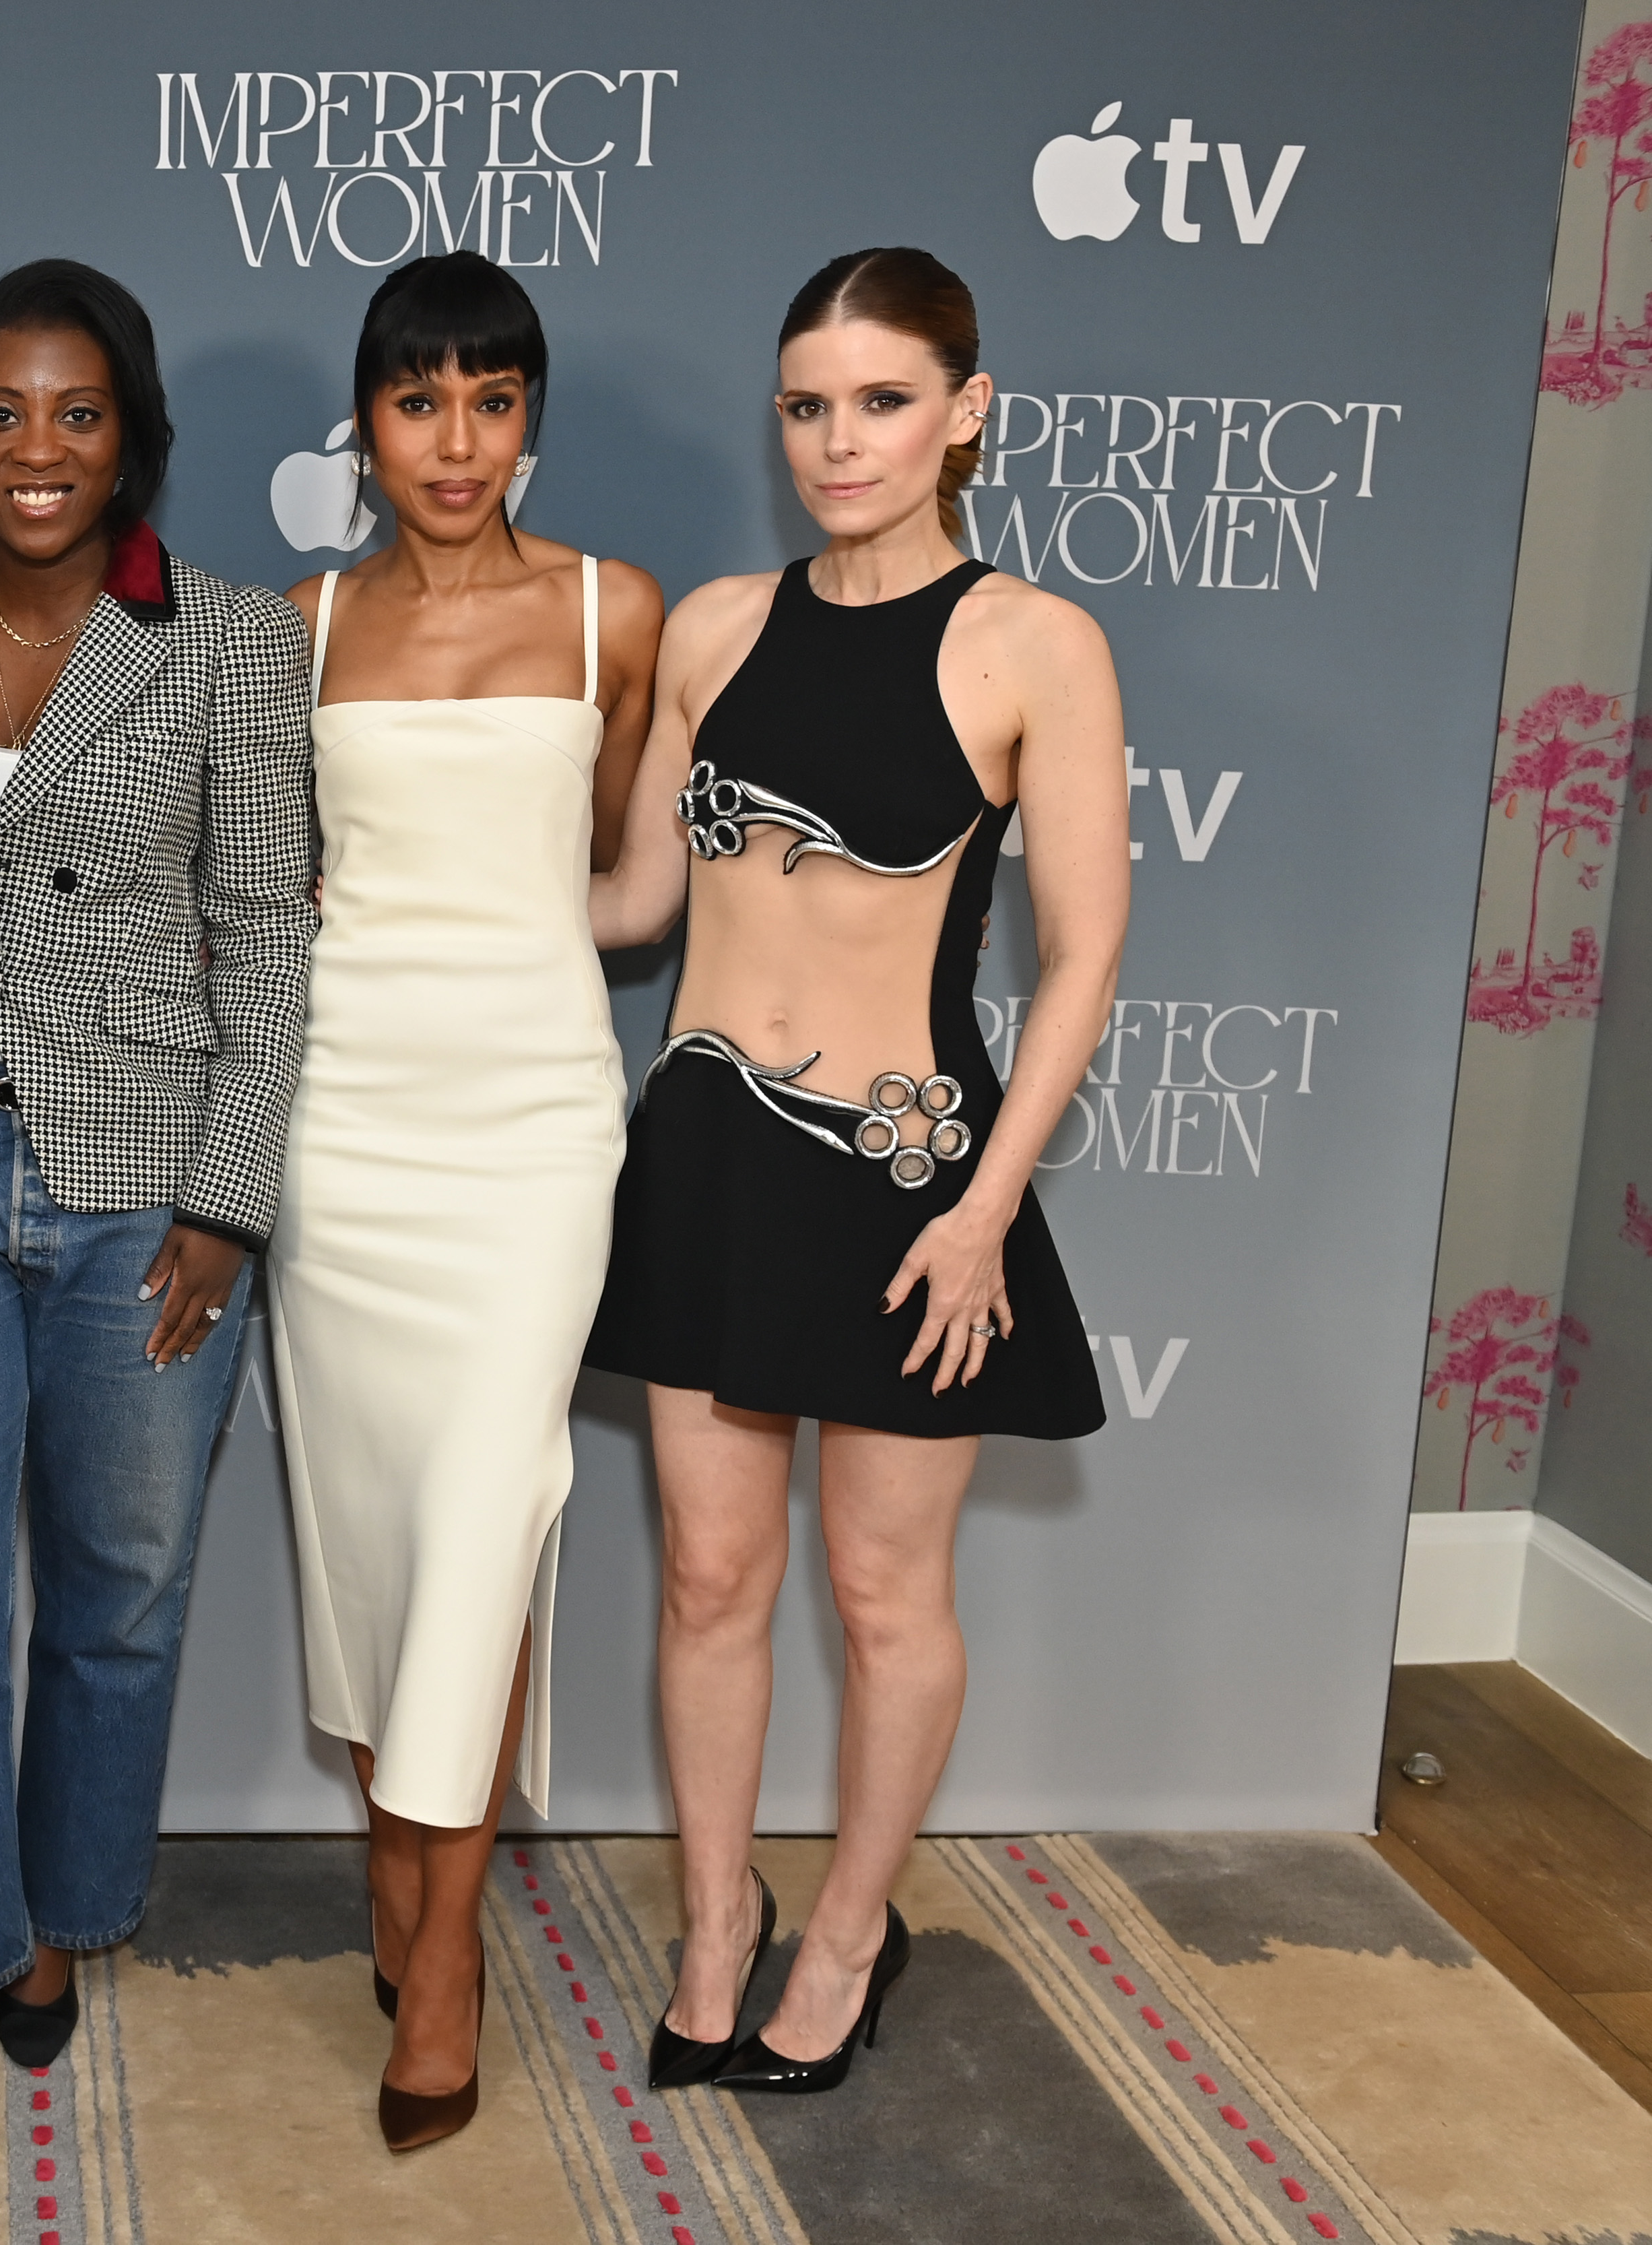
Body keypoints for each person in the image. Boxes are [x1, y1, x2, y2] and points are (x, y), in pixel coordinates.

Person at [586, 249, 1125, 2095]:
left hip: (913, 1187)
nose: (840, 438)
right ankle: (718, 1916)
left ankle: (847, 1928)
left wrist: (984, 1208)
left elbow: (1082, 956)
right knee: (707, 1584)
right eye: (808, 403)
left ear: (966, 409)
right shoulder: (720, 625)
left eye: (884, 399)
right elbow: (645, 902)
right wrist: (415, 900)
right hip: (710, 1162)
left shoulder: (1033, 642)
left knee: (886, 1593)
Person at [0, 259, 315, 2150]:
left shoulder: (233, 641)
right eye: (5, 412)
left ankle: (58, 1922)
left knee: (120, 1586)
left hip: (145, 1190)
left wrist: (229, 1207)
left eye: (78, 413)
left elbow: (269, 942)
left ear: (132, 436)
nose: (39, 448)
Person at [268, 251, 661, 2151]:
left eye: (491, 400)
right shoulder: (299, 622)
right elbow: (269, 883)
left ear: (530, 415)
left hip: (528, 1126)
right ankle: (394, 1867)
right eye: (419, 401)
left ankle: (447, 1958)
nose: (456, 439)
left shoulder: (615, 613)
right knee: (371, 1539)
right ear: (369, 422)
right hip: (343, 1128)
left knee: (488, 1518)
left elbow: (612, 873)